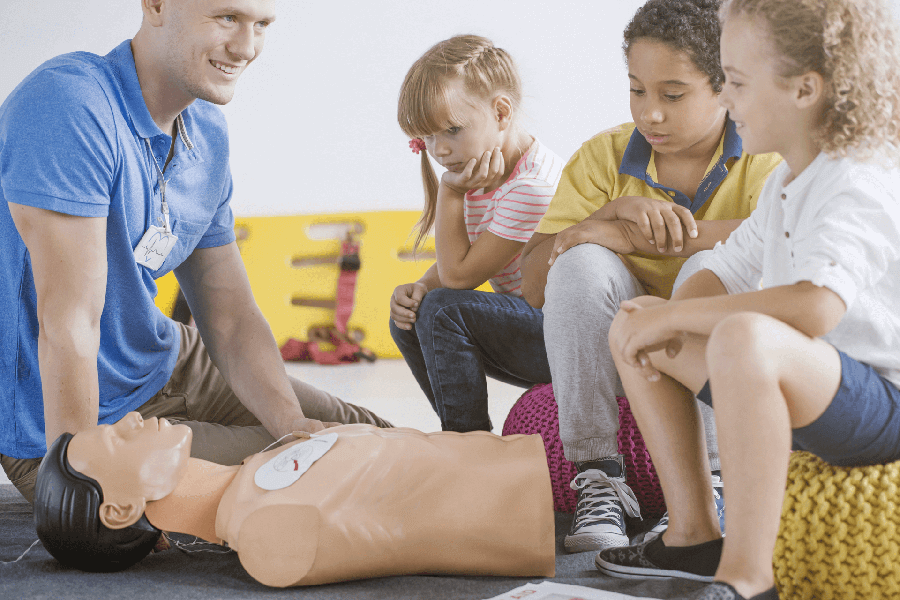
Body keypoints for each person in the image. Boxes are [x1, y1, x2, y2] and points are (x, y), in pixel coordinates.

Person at [0, 0, 390, 504]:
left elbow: (228, 316)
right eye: (227, 17)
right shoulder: (69, 104)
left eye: (262, 25)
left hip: (167, 360)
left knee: (380, 438)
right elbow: (69, 325)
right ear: (157, 4)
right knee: (334, 472)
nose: (246, 47)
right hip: (70, 420)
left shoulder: (204, 130)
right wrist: (80, 479)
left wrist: (290, 423)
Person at [595, 0, 900, 598]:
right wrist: (667, 320)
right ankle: (693, 534)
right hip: (808, 388)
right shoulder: (786, 181)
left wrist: (683, 315)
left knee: (743, 335)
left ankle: (747, 577)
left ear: (804, 89)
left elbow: (815, 307)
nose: (726, 100)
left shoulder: (857, 178)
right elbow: (724, 271)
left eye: (734, 82)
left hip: (880, 402)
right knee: (638, 320)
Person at [519, 0, 782, 554]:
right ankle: (600, 474)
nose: (651, 113)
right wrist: (600, 223)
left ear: (725, 88)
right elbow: (538, 287)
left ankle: (715, 481)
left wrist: (646, 237)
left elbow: (780, 242)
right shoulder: (602, 157)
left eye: (672, 94)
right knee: (581, 264)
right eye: (637, 90)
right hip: (611, 362)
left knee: (708, 267)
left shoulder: (765, 155)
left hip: (728, 370)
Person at [33, 412, 555, 586]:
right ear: (120, 509)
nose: (129, 419)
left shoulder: (257, 477)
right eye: (116, 438)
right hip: (547, 495)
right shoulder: (268, 538)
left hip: (538, 462)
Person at [389, 35, 564, 433]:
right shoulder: (482, 170)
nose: (441, 150)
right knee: (413, 313)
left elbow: (461, 277)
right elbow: (466, 257)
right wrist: (420, 285)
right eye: (429, 137)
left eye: (452, 130)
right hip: (530, 326)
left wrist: (451, 194)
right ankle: (464, 431)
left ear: (502, 112)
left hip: (565, 338)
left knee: (443, 308)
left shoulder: (531, 187)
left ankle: (468, 442)